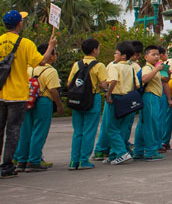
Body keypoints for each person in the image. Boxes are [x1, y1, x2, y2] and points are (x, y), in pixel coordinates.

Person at [0, 10, 56, 179]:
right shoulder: (25, 43)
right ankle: (7, 165)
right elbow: (43, 61)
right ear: (19, 24)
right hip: (17, 94)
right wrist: (51, 46)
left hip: (0, 92)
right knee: (13, 130)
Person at [14, 42, 64, 172]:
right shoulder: (50, 71)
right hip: (43, 101)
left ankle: (21, 160)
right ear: (50, 56)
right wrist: (59, 105)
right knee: (39, 131)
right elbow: (53, 90)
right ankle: (34, 160)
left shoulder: (29, 68)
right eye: (54, 53)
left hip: (28, 100)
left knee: (26, 131)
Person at [67, 38, 108, 170]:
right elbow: (103, 84)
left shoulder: (76, 64)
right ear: (95, 50)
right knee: (89, 131)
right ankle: (84, 160)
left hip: (77, 100)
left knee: (77, 131)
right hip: (92, 98)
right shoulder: (99, 65)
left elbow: (69, 83)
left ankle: (74, 161)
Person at [104, 41, 141, 165]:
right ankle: (115, 154)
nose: (115, 55)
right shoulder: (131, 68)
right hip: (128, 99)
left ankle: (121, 152)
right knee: (123, 128)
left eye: (116, 53)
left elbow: (113, 80)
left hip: (117, 98)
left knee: (111, 127)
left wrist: (108, 94)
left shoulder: (115, 66)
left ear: (123, 55)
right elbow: (137, 85)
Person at [132, 45, 166, 161]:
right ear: (146, 57)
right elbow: (144, 79)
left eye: (158, 54)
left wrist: (167, 72)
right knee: (151, 124)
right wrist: (156, 69)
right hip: (150, 97)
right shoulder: (148, 68)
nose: (156, 57)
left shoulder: (153, 68)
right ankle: (151, 151)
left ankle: (139, 150)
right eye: (153, 54)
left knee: (143, 124)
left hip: (152, 97)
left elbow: (164, 79)